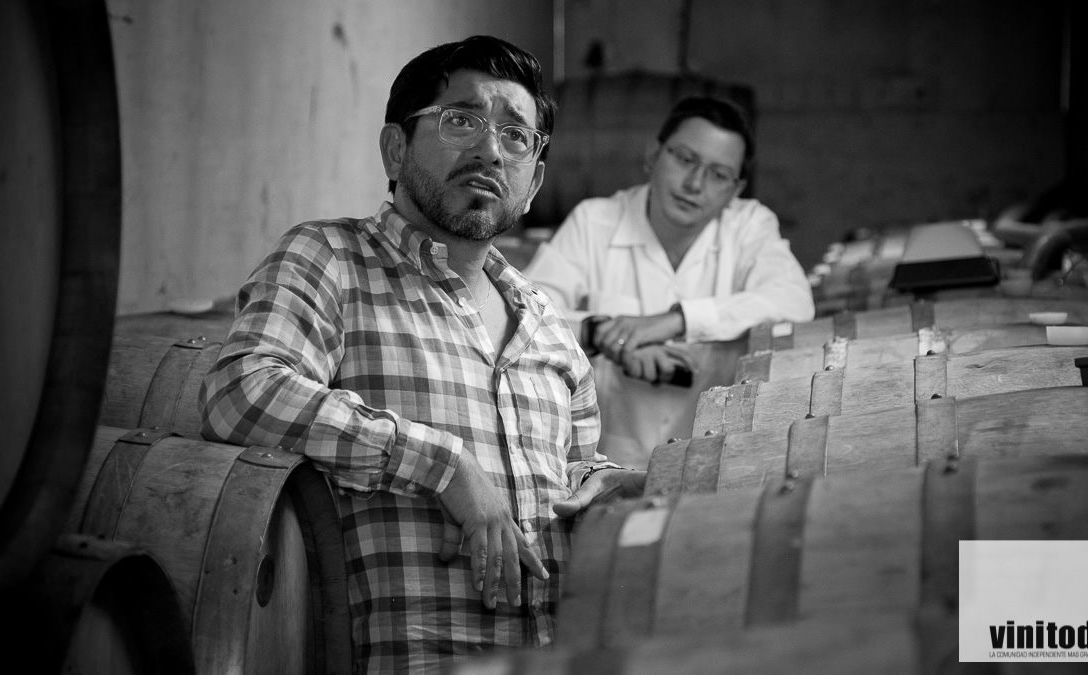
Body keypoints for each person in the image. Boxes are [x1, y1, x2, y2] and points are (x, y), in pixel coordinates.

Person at [199, 35, 644, 674]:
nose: (491, 150)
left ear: (534, 182)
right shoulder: (331, 259)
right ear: (396, 147)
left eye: (517, 135)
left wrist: (604, 482)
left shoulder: (545, 321)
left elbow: (570, 466)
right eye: (462, 120)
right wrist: (443, 465)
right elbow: (240, 392)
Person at [524, 96, 815, 469]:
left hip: (713, 464)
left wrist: (676, 320)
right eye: (685, 159)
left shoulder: (749, 226)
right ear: (653, 155)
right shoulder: (594, 222)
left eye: (718, 174)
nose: (695, 184)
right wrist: (606, 334)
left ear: (735, 189)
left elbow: (794, 301)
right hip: (607, 464)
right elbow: (530, 315)